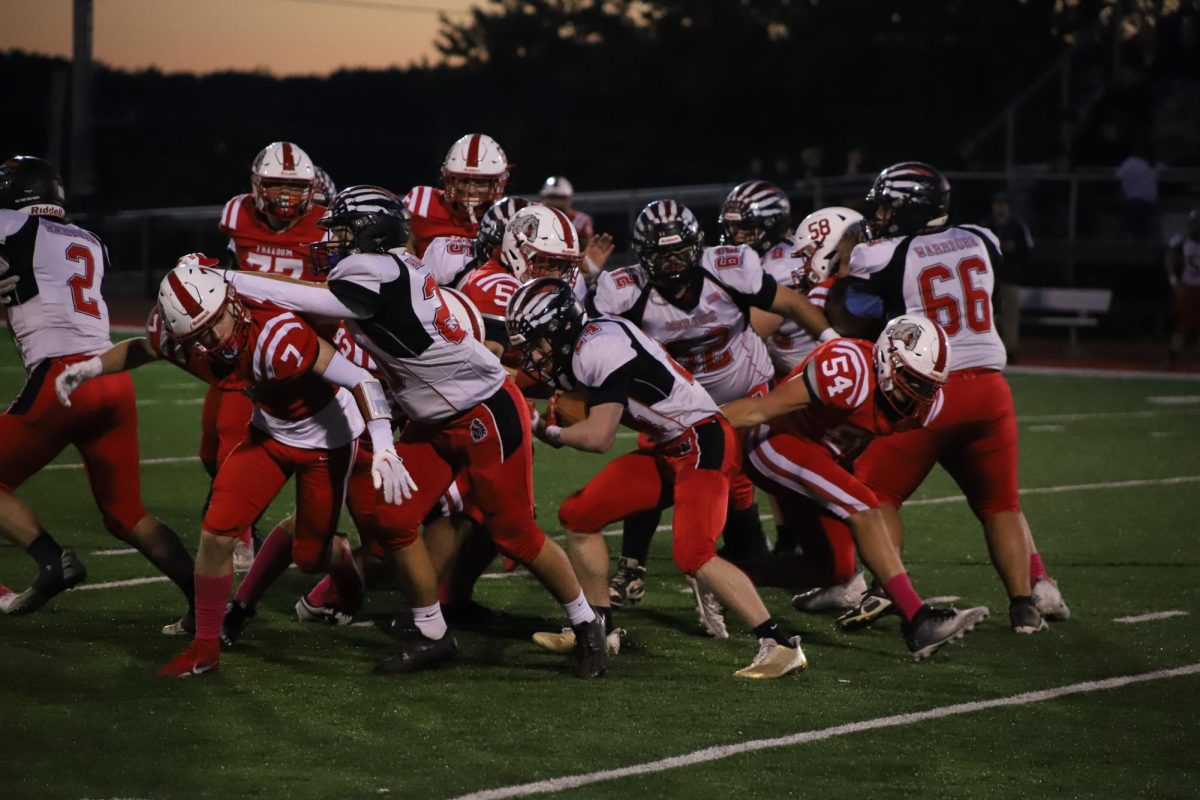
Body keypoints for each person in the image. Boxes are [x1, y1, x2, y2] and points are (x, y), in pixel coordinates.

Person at [218, 187, 610, 679]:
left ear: (369, 234)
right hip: (433, 417)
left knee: (515, 534)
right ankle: (431, 633)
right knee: (393, 518)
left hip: (484, 412)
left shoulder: (374, 272)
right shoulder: (393, 266)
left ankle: (586, 623)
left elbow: (301, 296)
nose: (332, 240)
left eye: (342, 230)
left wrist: (227, 277)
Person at [55, 254, 413, 677]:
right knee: (218, 531)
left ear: (233, 302)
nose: (215, 338)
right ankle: (204, 647)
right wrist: (92, 367)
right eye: (200, 335)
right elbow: (144, 348)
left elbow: (361, 380)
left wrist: (386, 445)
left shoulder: (280, 337)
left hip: (327, 442)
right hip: (269, 433)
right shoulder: (186, 340)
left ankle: (342, 571)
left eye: (217, 321)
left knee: (313, 556)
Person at [508, 277, 808, 679]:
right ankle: (598, 629)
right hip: (671, 448)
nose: (534, 354)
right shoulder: (589, 338)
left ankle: (780, 644)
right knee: (579, 514)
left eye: (537, 342)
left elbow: (599, 437)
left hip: (702, 441)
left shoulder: (599, 349)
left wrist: (546, 430)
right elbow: (527, 379)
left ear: (561, 328)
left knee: (694, 554)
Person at [832, 161, 1070, 635]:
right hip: (991, 388)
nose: (877, 214)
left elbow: (851, 316)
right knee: (1000, 503)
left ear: (912, 208)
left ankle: (887, 590)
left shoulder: (881, 255)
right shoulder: (983, 238)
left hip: (928, 391)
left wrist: (843, 269)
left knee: (877, 495)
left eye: (886, 205)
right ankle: (1024, 605)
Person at [595, 199, 837, 636]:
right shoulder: (624, 290)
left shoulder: (730, 268)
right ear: (642, 254)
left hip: (745, 390)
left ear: (698, 247)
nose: (672, 263)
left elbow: (793, 304)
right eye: (661, 253)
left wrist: (833, 342)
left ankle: (754, 563)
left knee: (746, 477)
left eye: (680, 251)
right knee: (656, 467)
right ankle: (636, 566)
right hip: (681, 406)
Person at [723, 315, 990, 661]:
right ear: (886, 358)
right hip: (774, 442)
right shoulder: (847, 368)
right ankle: (917, 620)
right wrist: (693, 420)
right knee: (862, 504)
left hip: (821, 459)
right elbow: (761, 410)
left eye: (925, 386)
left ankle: (724, 580)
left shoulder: (924, 407)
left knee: (833, 569)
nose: (916, 395)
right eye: (910, 379)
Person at [0, 155, 195, 621]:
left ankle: (52, 560)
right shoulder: (90, 241)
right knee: (127, 514)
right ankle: (208, 605)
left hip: (62, 378)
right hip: (109, 376)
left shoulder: (10, 224)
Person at [215, 141, 329, 572]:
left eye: (293, 188)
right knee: (213, 447)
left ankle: (242, 535)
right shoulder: (237, 215)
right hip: (241, 343)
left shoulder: (326, 225)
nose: (284, 197)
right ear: (256, 185)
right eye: (276, 186)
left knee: (236, 435)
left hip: (298, 348)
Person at [404, 133, 509, 258]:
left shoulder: (508, 216)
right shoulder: (422, 203)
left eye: (480, 182)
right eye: (463, 180)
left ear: (497, 182)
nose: (470, 190)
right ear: (450, 179)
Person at [979, 192, 1034, 360]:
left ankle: (1010, 351)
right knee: (988, 316)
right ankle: (991, 351)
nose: (1000, 207)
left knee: (1010, 315)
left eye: (1003, 204)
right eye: (997, 203)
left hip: (1010, 277)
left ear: (1008, 206)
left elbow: (1028, 249)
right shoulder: (986, 224)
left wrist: (1015, 250)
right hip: (988, 280)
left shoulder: (1017, 225)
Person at [1165, 208, 1200, 369]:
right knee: (1181, 327)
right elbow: (1169, 258)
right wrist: (1174, 281)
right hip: (1189, 287)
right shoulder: (1182, 240)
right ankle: (1171, 360)